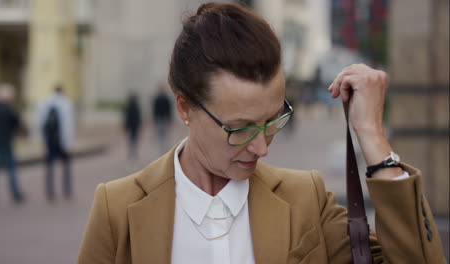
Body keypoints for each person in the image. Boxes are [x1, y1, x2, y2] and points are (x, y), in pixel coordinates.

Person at [77, 3, 445, 263]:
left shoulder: (306, 200)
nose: (261, 147)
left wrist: (373, 138)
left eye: (272, 121)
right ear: (184, 108)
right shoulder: (118, 209)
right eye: (239, 129)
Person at [0, 84, 25, 208]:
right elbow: (18, 123)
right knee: (11, 170)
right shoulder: (8, 110)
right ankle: (16, 194)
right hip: (6, 144)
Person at [38, 85, 74, 201]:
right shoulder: (66, 103)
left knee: (49, 165)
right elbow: (68, 125)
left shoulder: (45, 102)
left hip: (50, 140)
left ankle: (50, 191)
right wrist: (67, 142)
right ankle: (67, 190)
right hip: (61, 140)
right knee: (66, 165)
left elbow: (40, 122)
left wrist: (42, 141)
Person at [152, 84, 172, 154]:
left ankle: (161, 148)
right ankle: (164, 148)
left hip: (160, 118)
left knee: (160, 134)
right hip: (163, 118)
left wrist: (155, 119)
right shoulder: (166, 99)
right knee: (164, 134)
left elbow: (154, 110)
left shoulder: (157, 99)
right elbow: (169, 110)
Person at [123, 93, 142, 159]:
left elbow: (126, 117)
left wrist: (125, 126)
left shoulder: (128, 107)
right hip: (134, 125)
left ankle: (132, 152)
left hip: (131, 125)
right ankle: (133, 152)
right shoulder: (135, 107)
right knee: (134, 139)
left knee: (131, 139)